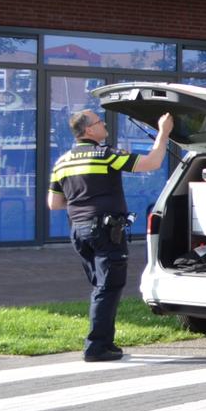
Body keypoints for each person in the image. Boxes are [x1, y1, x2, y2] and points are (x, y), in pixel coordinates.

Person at [46, 108, 173, 361]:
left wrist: (81, 201)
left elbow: (54, 203)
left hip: (79, 231)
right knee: (108, 286)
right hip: (105, 230)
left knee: (101, 286)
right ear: (89, 130)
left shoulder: (62, 162)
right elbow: (153, 162)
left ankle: (106, 343)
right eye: (99, 121)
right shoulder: (106, 154)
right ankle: (96, 347)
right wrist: (164, 132)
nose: (104, 124)